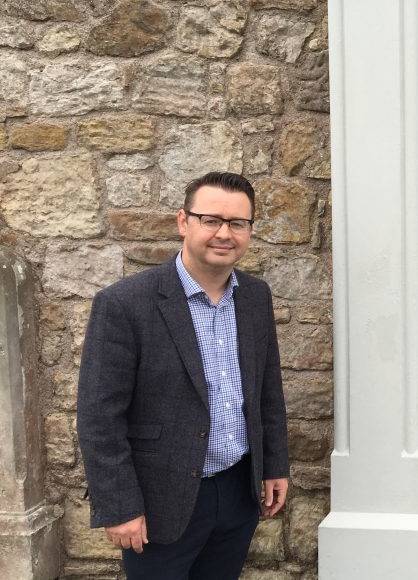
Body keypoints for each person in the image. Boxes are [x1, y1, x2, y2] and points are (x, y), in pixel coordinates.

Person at [77, 171, 289, 579]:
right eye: (211, 220)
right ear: (183, 222)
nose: (224, 233)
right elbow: (99, 417)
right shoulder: (124, 304)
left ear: (249, 230)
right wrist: (121, 505)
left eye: (237, 223)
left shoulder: (255, 297)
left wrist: (274, 464)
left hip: (238, 490)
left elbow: (267, 390)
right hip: (161, 500)